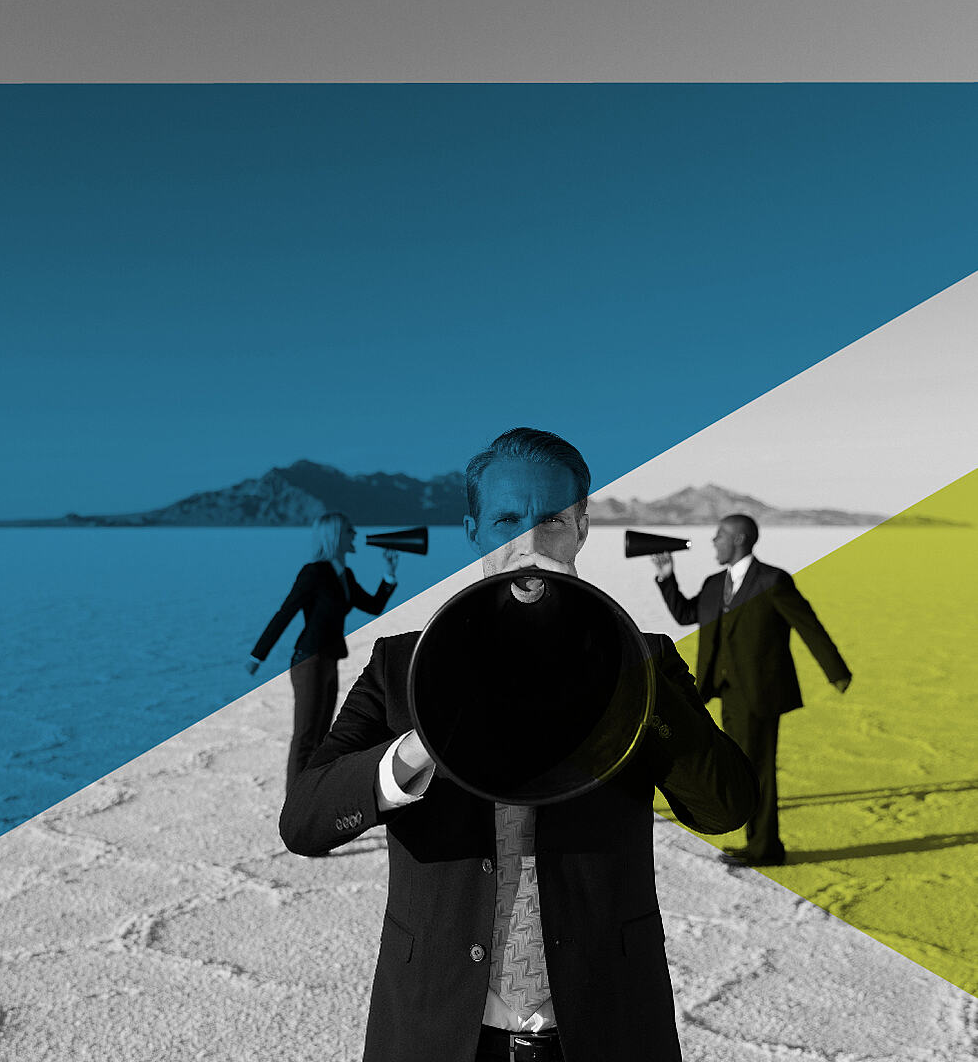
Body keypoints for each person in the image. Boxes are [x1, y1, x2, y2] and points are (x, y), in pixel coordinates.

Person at [279, 429, 757, 1062]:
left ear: (582, 528)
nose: (530, 545)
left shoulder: (643, 660)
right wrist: (419, 748)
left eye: (553, 521)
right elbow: (305, 821)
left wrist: (622, 661)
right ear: (474, 529)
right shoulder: (402, 667)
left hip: (605, 1026)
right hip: (436, 1029)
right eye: (507, 520)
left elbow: (725, 806)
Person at [651, 514, 852, 867]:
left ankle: (765, 848)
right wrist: (667, 578)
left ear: (740, 539)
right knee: (740, 764)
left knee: (757, 769)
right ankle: (758, 841)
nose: (713, 542)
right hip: (723, 691)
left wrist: (836, 671)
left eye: (720, 536)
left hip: (761, 694)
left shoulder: (772, 581)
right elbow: (686, 615)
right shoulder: (715, 584)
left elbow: (808, 625)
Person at [248, 512, 399, 792]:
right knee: (306, 737)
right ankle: (293, 807)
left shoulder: (344, 575)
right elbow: (286, 612)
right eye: (349, 530)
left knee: (321, 738)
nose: (355, 534)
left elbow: (373, 605)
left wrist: (388, 574)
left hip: (328, 661)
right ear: (334, 536)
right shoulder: (314, 572)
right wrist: (258, 655)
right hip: (308, 661)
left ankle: (308, 802)